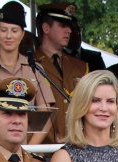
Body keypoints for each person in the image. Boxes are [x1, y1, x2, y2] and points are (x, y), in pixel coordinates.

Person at [0, 3, 55, 145]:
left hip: (26, 149)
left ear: (22, 34)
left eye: (14, 31)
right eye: (3, 30)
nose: (8, 36)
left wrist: (27, 150)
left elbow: (46, 116)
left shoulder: (35, 69)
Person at [35, 2, 89, 144]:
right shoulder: (28, 64)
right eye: (63, 25)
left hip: (77, 146)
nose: (69, 30)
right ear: (46, 28)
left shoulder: (81, 67)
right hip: (42, 149)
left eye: (69, 26)